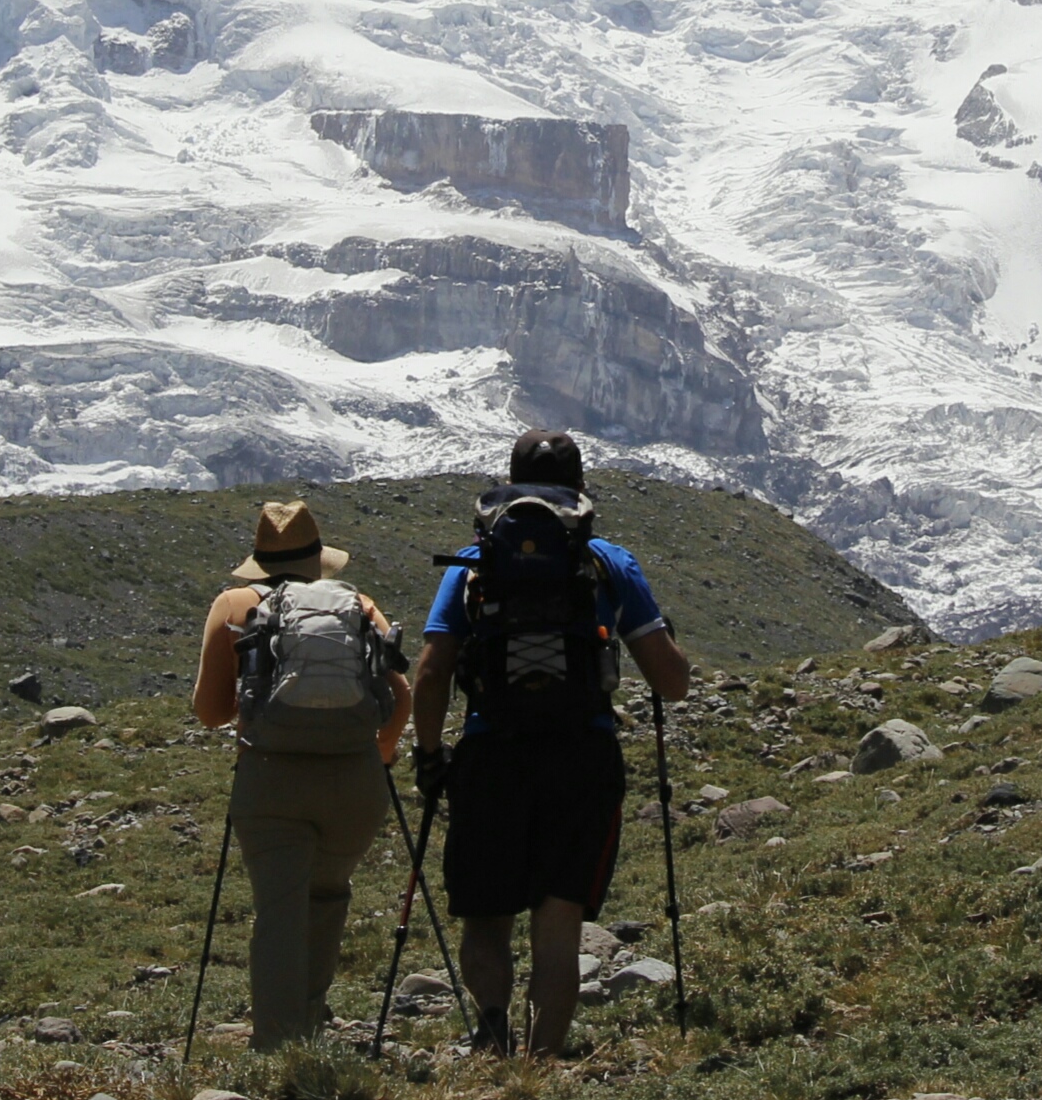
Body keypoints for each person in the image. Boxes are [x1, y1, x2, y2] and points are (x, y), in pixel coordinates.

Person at [412, 429, 690, 1058]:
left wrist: (430, 757)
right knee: (558, 923)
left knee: (486, 914)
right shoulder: (606, 561)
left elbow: (430, 673)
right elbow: (670, 683)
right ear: (581, 488)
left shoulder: (474, 562)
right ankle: (540, 1065)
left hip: (491, 752)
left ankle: (490, 1035)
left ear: (508, 482)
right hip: (580, 756)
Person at [190, 498, 414, 1050]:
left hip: (272, 779)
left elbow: (210, 711)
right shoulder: (358, 606)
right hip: (354, 781)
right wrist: (378, 754)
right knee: (327, 894)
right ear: (318, 561)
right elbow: (400, 696)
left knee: (279, 909)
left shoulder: (234, 604)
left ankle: (276, 1046)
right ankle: (309, 1028)